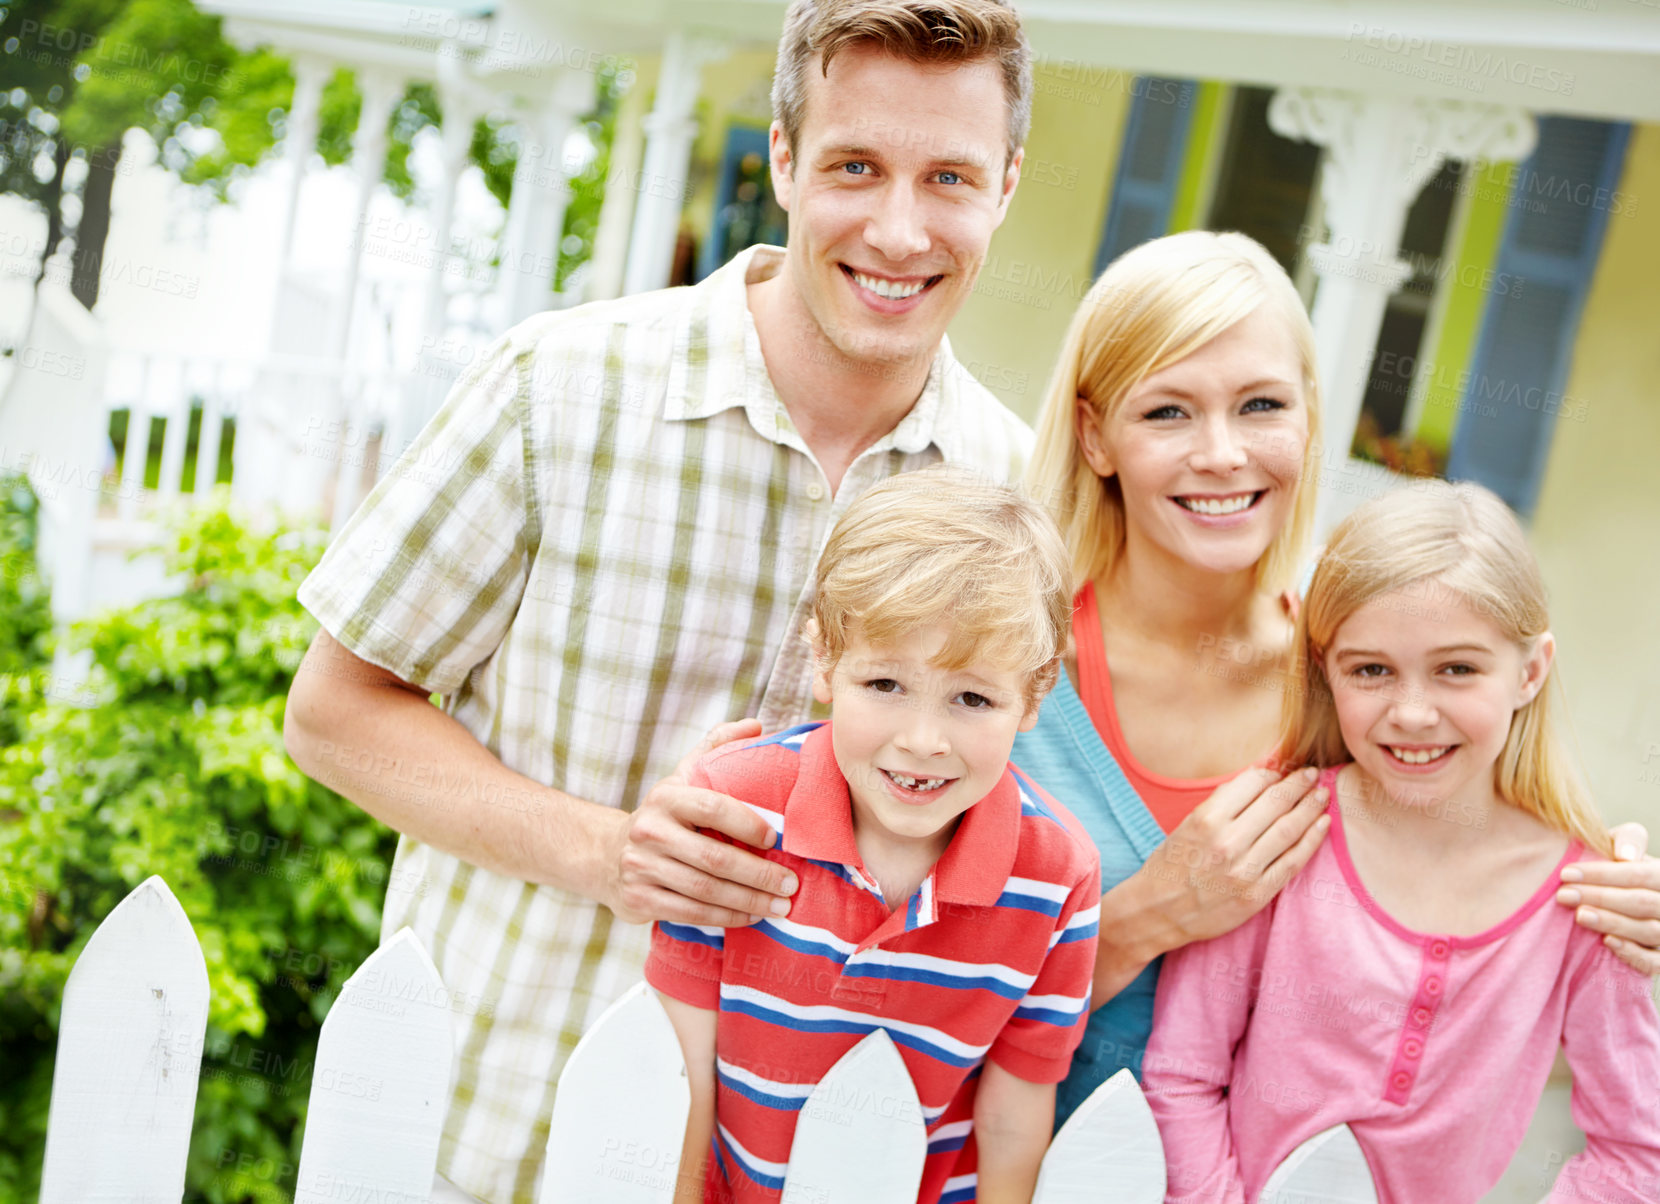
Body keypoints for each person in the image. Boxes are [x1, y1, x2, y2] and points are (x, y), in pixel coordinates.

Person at [282, 2, 1035, 1197]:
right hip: (485, 1142)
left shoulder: (1018, 492)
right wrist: (612, 852)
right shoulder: (560, 387)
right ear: (782, 158)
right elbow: (330, 713)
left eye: (948, 175)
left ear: (1005, 184)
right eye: (854, 166)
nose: (899, 229)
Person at [1010, 229, 1660, 1129]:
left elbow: (1496, 873)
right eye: (1167, 412)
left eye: (1261, 405)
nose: (1224, 453)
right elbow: (898, 1000)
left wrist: (1613, 890)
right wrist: (1144, 920)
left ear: (1310, 418)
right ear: (1095, 435)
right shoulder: (1005, 680)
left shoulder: (1369, 693)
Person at [1141, 480, 1660, 1204]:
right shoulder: (1279, 834)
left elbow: (1637, 1152)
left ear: (1530, 672)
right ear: (1327, 671)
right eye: (1372, 670)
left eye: (1457, 669)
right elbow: (1182, 1076)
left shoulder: (1591, 898)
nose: (1413, 712)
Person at [645, 467, 1099, 1204]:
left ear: (1035, 694)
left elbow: (1014, 1114)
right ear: (823, 659)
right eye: (886, 685)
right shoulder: (734, 812)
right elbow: (680, 1066)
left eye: (973, 697)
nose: (923, 740)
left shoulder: (1059, 876)